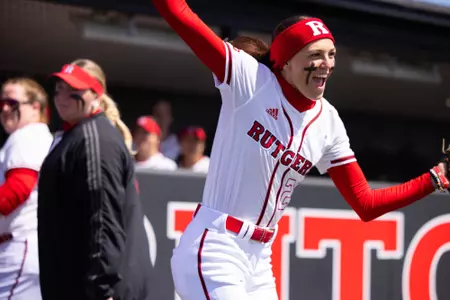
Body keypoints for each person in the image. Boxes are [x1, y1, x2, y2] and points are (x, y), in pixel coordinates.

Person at [152, 1, 446, 299]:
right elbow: (179, 13)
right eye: (315, 55)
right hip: (216, 246)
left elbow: (366, 203)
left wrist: (436, 177)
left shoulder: (328, 122)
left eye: (331, 55)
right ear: (286, 61)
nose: (326, 64)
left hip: (259, 258)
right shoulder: (248, 78)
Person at [37, 59, 152, 300]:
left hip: (97, 290)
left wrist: (103, 289)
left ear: (96, 93)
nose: (62, 97)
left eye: (73, 90)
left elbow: (104, 218)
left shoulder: (95, 139)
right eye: (58, 89)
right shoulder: (79, 134)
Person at [0, 78, 52, 300]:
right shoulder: (29, 136)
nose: (4, 108)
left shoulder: (28, 135)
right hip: (22, 247)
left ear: (35, 107)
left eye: (12, 102)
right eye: (1, 102)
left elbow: (18, 189)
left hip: (20, 245)